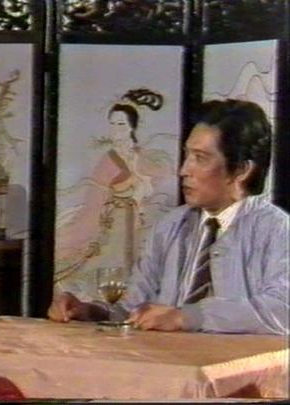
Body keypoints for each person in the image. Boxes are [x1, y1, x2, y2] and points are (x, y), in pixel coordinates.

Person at [48, 99, 289, 335]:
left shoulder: (276, 230)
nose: (183, 170)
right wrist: (91, 312)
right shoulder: (171, 225)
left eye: (200, 158)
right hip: (166, 358)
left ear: (241, 170)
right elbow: (133, 308)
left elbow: (282, 309)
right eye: (187, 156)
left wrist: (189, 317)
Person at [54, 88, 173, 297]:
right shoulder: (108, 160)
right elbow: (94, 202)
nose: (115, 130)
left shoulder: (140, 155)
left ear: (132, 127)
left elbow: (159, 178)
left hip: (136, 220)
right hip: (114, 222)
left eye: (121, 124)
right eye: (113, 124)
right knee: (112, 272)